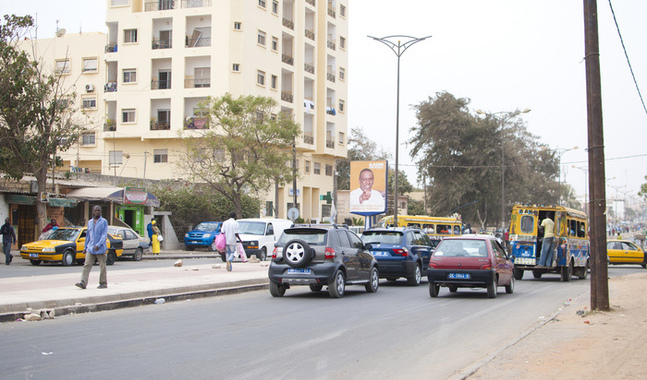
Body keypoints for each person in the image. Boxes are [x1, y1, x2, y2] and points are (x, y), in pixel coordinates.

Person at [76, 206, 109, 289]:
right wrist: (85, 247)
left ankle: (103, 283)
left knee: (102, 266)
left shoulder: (104, 221)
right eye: (95, 210)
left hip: (100, 248)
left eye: (98, 210)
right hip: (90, 248)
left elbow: (104, 235)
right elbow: (88, 236)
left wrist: (99, 244)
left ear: (100, 212)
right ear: (92, 212)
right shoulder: (90, 222)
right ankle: (83, 282)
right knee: (86, 265)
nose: (97, 212)